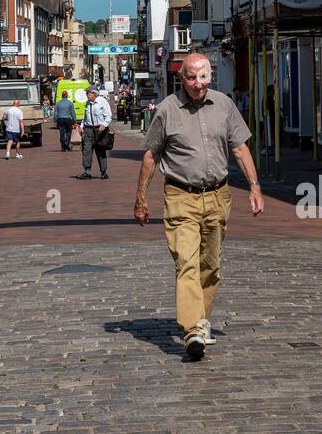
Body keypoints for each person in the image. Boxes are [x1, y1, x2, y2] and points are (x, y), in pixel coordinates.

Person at [134, 53, 264, 362]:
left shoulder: (223, 105)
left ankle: (201, 320)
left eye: (203, 77)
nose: (197, 84)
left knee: (211, 267)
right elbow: (151, 156)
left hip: (218, 196)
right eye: (191, 77)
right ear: (182, 78)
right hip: (181, 196)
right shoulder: (167, 110)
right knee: (187, 263)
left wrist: (255, 186)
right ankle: (192, 329)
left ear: (210, 76)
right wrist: (141, 199)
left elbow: (240, 147)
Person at [79, 85, 112, 180]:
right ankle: (87, 171)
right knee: (87, 150)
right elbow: (85, 117)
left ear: (94, 94)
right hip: (88, 129)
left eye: (88, 93)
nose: (86, 95)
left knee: (100, 150)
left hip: (100, 130)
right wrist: (81, 126)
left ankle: (103, 171)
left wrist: (104, 125)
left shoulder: (102, 102)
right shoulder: (87, 103)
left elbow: (108, 116)